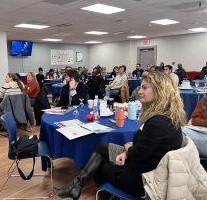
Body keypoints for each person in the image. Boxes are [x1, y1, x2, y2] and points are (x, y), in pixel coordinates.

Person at [53, 71, 186, 199]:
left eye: (145, 88)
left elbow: (137, 158)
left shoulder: (158, 123)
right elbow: (145, 149)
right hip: (145, 163)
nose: (139, 91)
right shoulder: (164, 117)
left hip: (143, 179)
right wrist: (127, 151)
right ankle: (76, 186)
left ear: (159, 91)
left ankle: (85, 188)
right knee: (102, 148)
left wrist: (127, 148)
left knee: (99, 167)